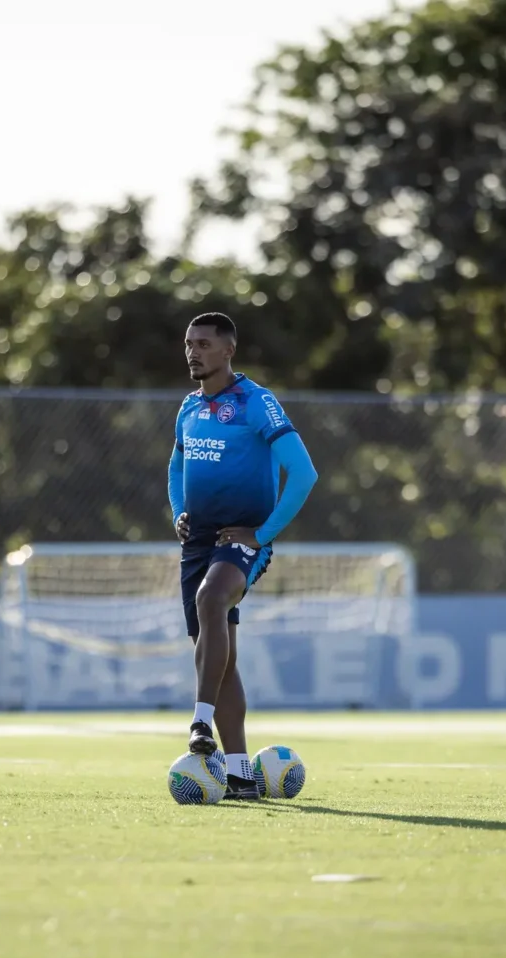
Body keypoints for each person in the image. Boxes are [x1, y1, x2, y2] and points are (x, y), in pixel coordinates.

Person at [168, 312, 317, 799]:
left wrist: (263, 533)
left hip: (240, 540)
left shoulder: (258, 403)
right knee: (220, 657)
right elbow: (176, 464)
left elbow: (304, 474)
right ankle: (238, 775)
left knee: (213, 600)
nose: (194, 351)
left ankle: (199, 724)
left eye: (205, 344)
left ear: (229, 350)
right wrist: (179, 513)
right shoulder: (188, 408)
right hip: (198, 543)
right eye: (190, 343)